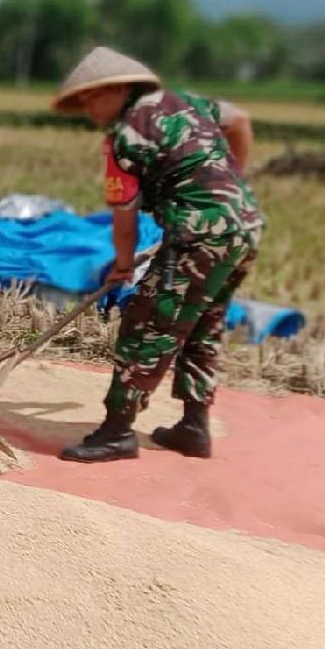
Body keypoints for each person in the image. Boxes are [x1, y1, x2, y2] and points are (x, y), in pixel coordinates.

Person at [51, 47, 264, 463]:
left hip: (197, 235)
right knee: (202, 325)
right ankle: (193, 427)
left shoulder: (123, 140)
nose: (88, 110)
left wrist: (124, 266)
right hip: (244, 226)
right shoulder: (186, 103)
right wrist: (233, 180)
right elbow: (239, 120)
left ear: (116, 90)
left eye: (91, 99)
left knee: (147, 324)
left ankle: (116, 432)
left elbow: (124, 219)